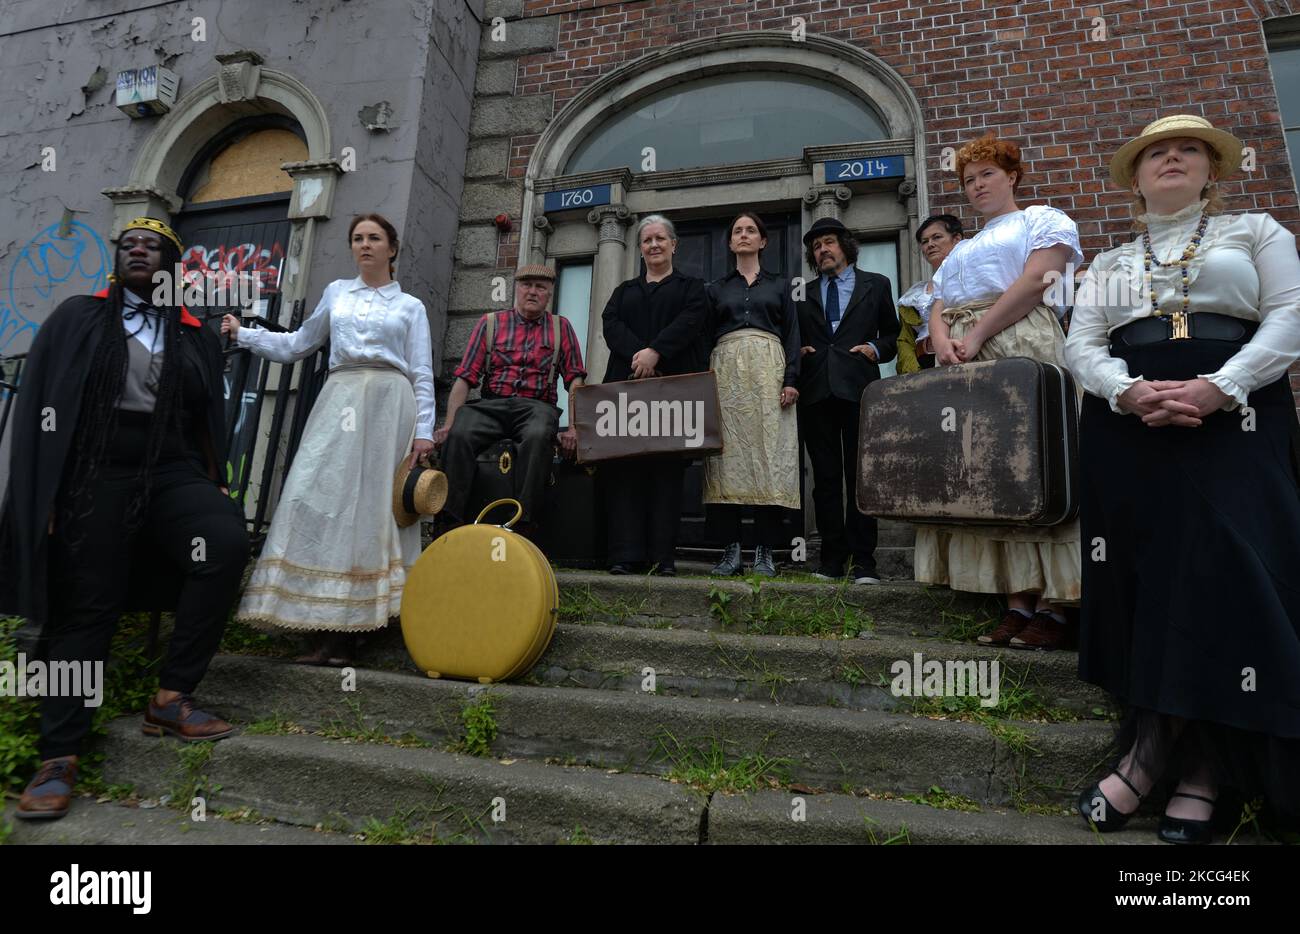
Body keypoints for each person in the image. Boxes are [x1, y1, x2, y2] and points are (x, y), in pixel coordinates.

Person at [1064, 114, 1300, 842]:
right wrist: (1125, 392)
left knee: (1226, 570)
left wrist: (1223, 386)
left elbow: (1290, 313)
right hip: (1126, 428)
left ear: (1211, 170)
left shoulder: (1258, 232)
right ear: (1135, 179)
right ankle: (1165, 757)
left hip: (1237, 420)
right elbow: (1081, 342)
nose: (1171, 158)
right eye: (1155, 153)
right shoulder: (1107, 261)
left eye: (1187, 150)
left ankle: (1180, 766)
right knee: (1152, 579)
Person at [1, 218, 249, 820]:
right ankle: (59, 754)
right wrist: (48, 495)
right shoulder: (79, 317)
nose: (139, 251)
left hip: (169, 466)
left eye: (153, 246)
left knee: (222, 541)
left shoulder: (192, 334)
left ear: (171, 265)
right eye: (128, 245)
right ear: (117, 260)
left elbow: (204, 418)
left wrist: (212, 476)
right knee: (89, 603)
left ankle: (172, 695)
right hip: (94, 467)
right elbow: (43, 408)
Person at [223, 213, 436, 667]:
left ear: (392, 249)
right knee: (317, 494)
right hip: (339, 397)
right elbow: (299, 343)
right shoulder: (337, 294)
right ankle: (318, 619)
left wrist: (422, 433)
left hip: (388, 404)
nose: (365, 245)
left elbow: (420, 372)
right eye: (357, 238)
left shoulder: (410, 307)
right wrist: (244, 334)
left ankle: (357, 629)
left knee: (375, 508)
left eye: (374, 238)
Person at [920, 133, 1084, 650]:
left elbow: (1038, 280)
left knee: (1040, 464)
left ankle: (1057, 605)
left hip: (1022, 344)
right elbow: (936, 302)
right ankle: (1017, 600)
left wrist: (979, 332)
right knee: (994, 474)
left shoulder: (1043, 219)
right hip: (968, 357)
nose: (976, 186)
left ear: (1011, 175)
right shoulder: (961, 248)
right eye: (968, 181)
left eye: (986, 175)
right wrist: (945, 340)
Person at [437, 265, 586, 535]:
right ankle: (450, 522)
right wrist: (448, 423)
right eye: (526, 285)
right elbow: (465, 377)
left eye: (540, 287)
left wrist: (574, 427)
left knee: (539, 434)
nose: (532, 292)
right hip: (491, 404)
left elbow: (575, 379)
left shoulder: (561, 327)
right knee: (459, 434)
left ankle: (523, 522)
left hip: (536, 406)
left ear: (549, 294)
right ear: (516, 289)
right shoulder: (490, 323)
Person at [600, 214, 708, 576]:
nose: (654, 245)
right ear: (640, 249)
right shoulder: (623, 292)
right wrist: (639, 356)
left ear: (673, 245)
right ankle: (625, 555)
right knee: (627, 470)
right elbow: (611, 324)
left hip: (673, 393)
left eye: (661, 239)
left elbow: (692, 321)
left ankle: (663, 558)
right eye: (647, 241)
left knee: (666, 473)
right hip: (628, 393)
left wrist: (657, 352)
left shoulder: (692, 288)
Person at [795, 216, 899, 583]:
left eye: (828, 242)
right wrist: (799, 351)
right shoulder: (802, 292)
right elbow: (789, 336)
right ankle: (830, 560)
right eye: (816, 246)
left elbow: (892, 334)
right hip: (816, 391)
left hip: (860, 390)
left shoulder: (877, 284)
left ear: (845, 245)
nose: (822, 250)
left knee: (860, 476)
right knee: (825, 478)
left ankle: (864, 562)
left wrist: (874, 348)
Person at [705, 212, 801, 578]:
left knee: (769, 458)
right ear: (730, 243)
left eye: (751, 231)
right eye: (737, 231)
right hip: (725, 376)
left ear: (762, 241)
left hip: (769, 375)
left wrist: (791, 378)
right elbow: (704, 336)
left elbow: (792, 333)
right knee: (724, 459)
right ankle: (730, 552)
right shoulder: (715, 289)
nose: (743, 235)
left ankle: (765, 552)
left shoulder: (780, 286)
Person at [897, 215, 964, 373]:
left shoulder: (972, 279)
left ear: (956, 239)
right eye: (925, 241)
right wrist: (911, 372)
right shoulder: (914, 295)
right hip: (923, 365)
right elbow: (906, 340)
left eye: (937, 237)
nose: (930, 245)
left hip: (961, 357)